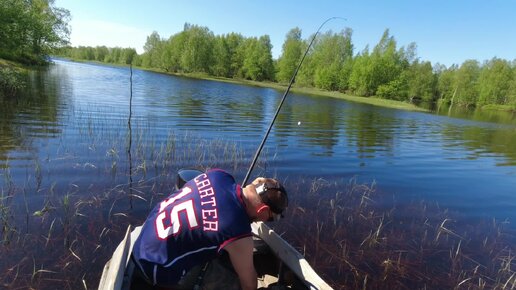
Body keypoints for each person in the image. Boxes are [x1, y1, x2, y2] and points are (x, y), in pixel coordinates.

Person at [131, 168, 288, 290]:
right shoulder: (239, 233)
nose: (268, 221)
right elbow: (249, 284)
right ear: (262, 211)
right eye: (271, 218)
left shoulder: (219, 175)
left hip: (141, 247)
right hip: (156, 272)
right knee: (230, 280)